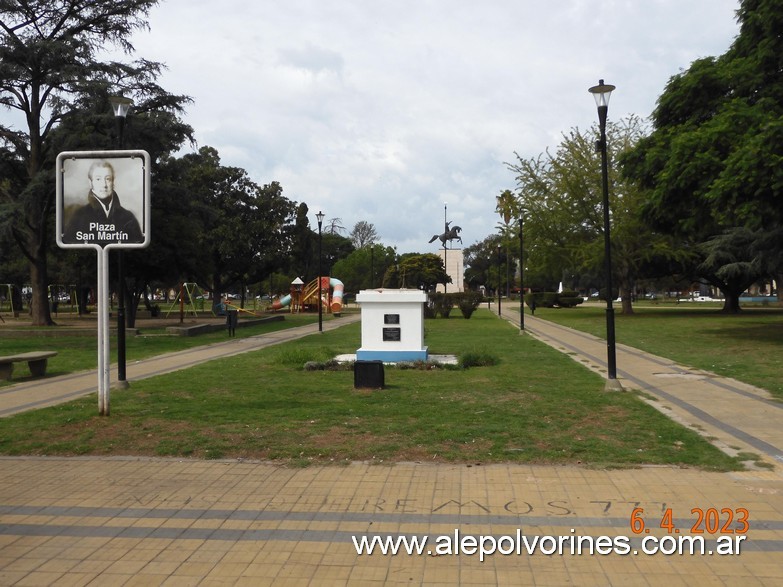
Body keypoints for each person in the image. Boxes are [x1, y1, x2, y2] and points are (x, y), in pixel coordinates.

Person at [63, 160, 143, 245]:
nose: (104, 185)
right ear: (90, 183)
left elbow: (136, 244)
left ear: (113, 182)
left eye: (108, 179)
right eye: (98, 179)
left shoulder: (128, 217)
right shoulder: (79, 216)